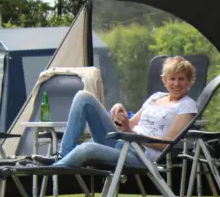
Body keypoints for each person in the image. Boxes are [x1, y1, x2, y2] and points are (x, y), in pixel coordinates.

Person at [33, 56, 198, 168]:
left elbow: (166, 144)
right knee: (83, 96)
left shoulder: (187, 106)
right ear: (165, 80)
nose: (176, 84)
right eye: (172, 79)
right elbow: (130, 124)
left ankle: (54, 169)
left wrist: (131, 132)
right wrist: (120, 112)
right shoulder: (156, 97)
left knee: (87, 148)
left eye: (181, 79)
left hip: (141, 154)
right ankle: (62, 156)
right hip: (122, 142)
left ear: (190, 81)